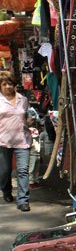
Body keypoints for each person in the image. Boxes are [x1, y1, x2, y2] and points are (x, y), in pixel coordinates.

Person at [0, 71, 32, 212]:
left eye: (10, 84)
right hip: (3, 141)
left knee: (23, 170)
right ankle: (6, 191)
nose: (7, 86)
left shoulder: (23, 99)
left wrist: (30, 120)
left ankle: (23, 200)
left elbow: (27, 116)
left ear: (14, 85)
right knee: (4, 171)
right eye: (4, 84)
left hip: (22, 139)